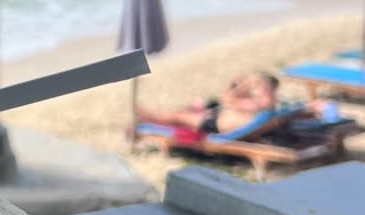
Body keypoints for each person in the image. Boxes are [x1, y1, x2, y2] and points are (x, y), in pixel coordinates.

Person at [135, 71, 329, 134]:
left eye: (258, 85)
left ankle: (148, 120)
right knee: (183, 113)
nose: (256, 87)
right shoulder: (268, 104)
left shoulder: (262, 104)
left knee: (179, 117)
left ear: (265, 87)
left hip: (216, 126)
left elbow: (227, 100)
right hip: (221, 120)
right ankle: (149, 117)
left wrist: (239, 87)